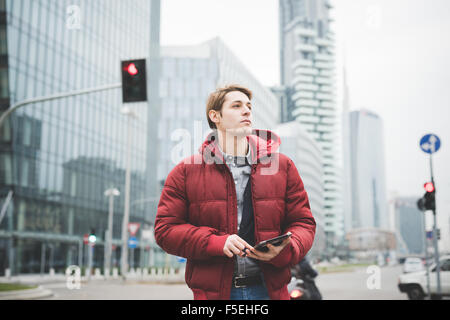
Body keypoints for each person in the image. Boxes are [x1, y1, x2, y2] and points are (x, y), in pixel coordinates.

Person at [154, 84, 316, 300]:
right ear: (215, 116)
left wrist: (288, 248)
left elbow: (304, 223)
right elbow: (165, 230)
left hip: (269, 291)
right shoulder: (185, 172)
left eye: (249, 106)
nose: (247, 111)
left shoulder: (283, 167)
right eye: (236, 106)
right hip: (215, 294)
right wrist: (216, 242)